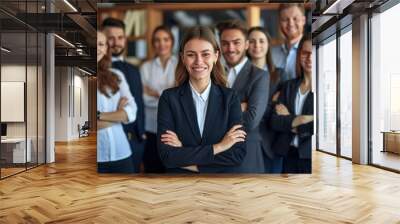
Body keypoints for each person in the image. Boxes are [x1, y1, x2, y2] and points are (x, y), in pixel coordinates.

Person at [157, 26, 247, 173]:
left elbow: (236, 155)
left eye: (205, 54)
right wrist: (220, 147)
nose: (199, 61)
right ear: (183, 58)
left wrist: (184, 154)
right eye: (191, 55)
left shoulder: (230, 98)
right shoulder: (169, 98)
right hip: (179, 187)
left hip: (220, 187)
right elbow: (167, 156)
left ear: (216, 56)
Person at [218, 20, 269, 173]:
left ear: (246, 44)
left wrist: (218, 111)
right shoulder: (214, 74)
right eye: (225, 43)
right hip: (216, 156)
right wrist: (237, 107)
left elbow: (252, 120)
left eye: (236, 42)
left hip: (246, 157)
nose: (230, 48)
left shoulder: (259, 76)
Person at [102, 18, 146, 173]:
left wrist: (142, 133)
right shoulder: (102, 70)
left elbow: (138, 103)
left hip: (137, 139)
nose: (116, 42)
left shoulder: (134, 69)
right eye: (111, 38)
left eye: (120, 38)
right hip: (113, 134)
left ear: (125, 39)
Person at [270, 34, 313, 173]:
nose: (310, 58)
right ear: (299, 55)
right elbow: (275, 121)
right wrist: (302, 119)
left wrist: (289, 120)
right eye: (305, 53)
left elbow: (319, 128)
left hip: (311, 157)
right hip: (288, 154)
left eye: (313, 53)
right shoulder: (289, 86)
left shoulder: (327, 88)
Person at [97, 31, 137, 173]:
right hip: (96, 158)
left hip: (122, 153)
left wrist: (98, 115)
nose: (98, 48)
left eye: (101, 44)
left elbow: (132, 112)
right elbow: (84, 126)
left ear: (106, 48)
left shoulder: (117, 76)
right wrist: (118, 115)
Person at [140, 25, 177, 173]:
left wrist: (155, 93)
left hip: (174, 128)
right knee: (152, 169)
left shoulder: (180, 65)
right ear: (153, 43)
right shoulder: (145, 67)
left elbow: (180, 97)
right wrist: (168, 93)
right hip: (151, 127)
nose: (161, 44)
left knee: (172, 170)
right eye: (157, 40)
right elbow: (144, 98)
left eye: (165, 39)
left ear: (172, 42)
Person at [271, 3, 306, 82]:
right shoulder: (271, 54)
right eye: (285, 19)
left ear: (303, 20)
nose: (290, 23)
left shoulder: (312, 52)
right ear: (279, 23)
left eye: (295, 18)